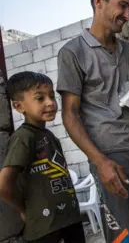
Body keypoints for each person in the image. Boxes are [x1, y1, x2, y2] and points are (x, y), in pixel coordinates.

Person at [56, 0, 129, 243]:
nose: (128, 15)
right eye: (123, 6)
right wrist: (100, 162)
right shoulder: (72, 53)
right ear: (99, 2)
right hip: (111, 159)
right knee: (124, 237)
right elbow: (70, 115)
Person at [0, 71, 84, 243]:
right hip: (46, 229)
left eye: (52, 97)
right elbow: (3, 185)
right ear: (19, 106)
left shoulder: (49, 136)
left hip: (69, 221)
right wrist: (24, 209)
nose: (50, 103)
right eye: (40, 98)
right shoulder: (24, 137)